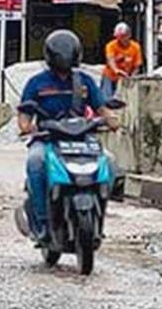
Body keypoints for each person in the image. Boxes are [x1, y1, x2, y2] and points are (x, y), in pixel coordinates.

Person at [17, 30, 115, 243]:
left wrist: (112, 119)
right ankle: (42, 223)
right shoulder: (37, 83)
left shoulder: (85, 82)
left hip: (80, 138)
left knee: (109, 161)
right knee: (35, 162)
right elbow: (24, 114)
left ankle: (99, 217)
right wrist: (27, 127)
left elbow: (101, 108)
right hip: (47, 138)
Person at [102, 21, 143, 100]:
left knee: (124, 100)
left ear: (129, 35)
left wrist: (132, 77)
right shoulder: (111, 45)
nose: (120, 39)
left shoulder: (135, 47)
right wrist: (116, 70)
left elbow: (137, 65)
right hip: (110, 77)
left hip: (126, 78)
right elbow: (110, 59)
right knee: (107, 99)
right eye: (118, 37)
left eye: (123, 36)